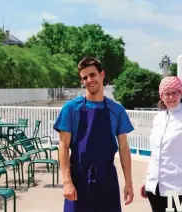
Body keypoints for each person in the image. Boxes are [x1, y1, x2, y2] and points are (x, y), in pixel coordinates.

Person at [53, 57, 135, 212]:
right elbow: (63, 147)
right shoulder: (71, 109)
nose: (89, 80)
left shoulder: (117, 110)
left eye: (92, 75)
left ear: (102, 74)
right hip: (78, 178)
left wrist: (128, 183)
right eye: (84, 77)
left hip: (107, 178)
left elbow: (124, 148)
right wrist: (67, 182)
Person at [140, 76, 182, 212]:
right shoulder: (158, 118)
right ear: (161, 96)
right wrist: (146, 179)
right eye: (166, 93)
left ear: (181, 94)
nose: (170, 97)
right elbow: (155, 153)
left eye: (174, 92)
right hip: (157, 189)